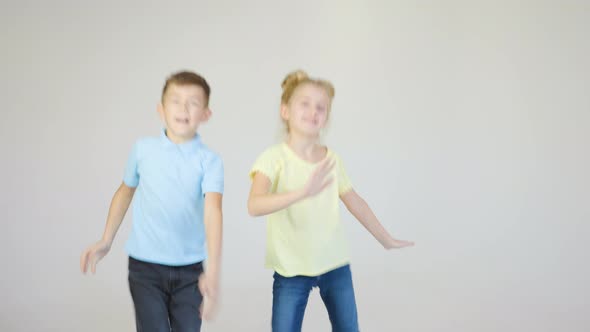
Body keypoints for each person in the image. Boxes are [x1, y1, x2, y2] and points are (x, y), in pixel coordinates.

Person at [248, 70, 414, 332]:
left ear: (326, 118)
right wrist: (303, 192)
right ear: (285, 111)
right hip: (291, 269)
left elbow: (355, 202)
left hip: (334, 264)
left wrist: (386, 239)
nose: (313, 111)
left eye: (321, 107)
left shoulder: (331, 160)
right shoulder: (273, 158)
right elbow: (254, 204)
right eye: (304, 103)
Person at [80, 70, 224, 332]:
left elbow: (213, 211)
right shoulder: (143, 149)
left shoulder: (210, 161)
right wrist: (106, 239)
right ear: (161, 109)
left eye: (193, 102)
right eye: (176, 100)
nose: (183, 108)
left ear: (205, 114)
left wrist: (212, 270)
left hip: (190, 270)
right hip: (145, 268)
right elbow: (125, 192)